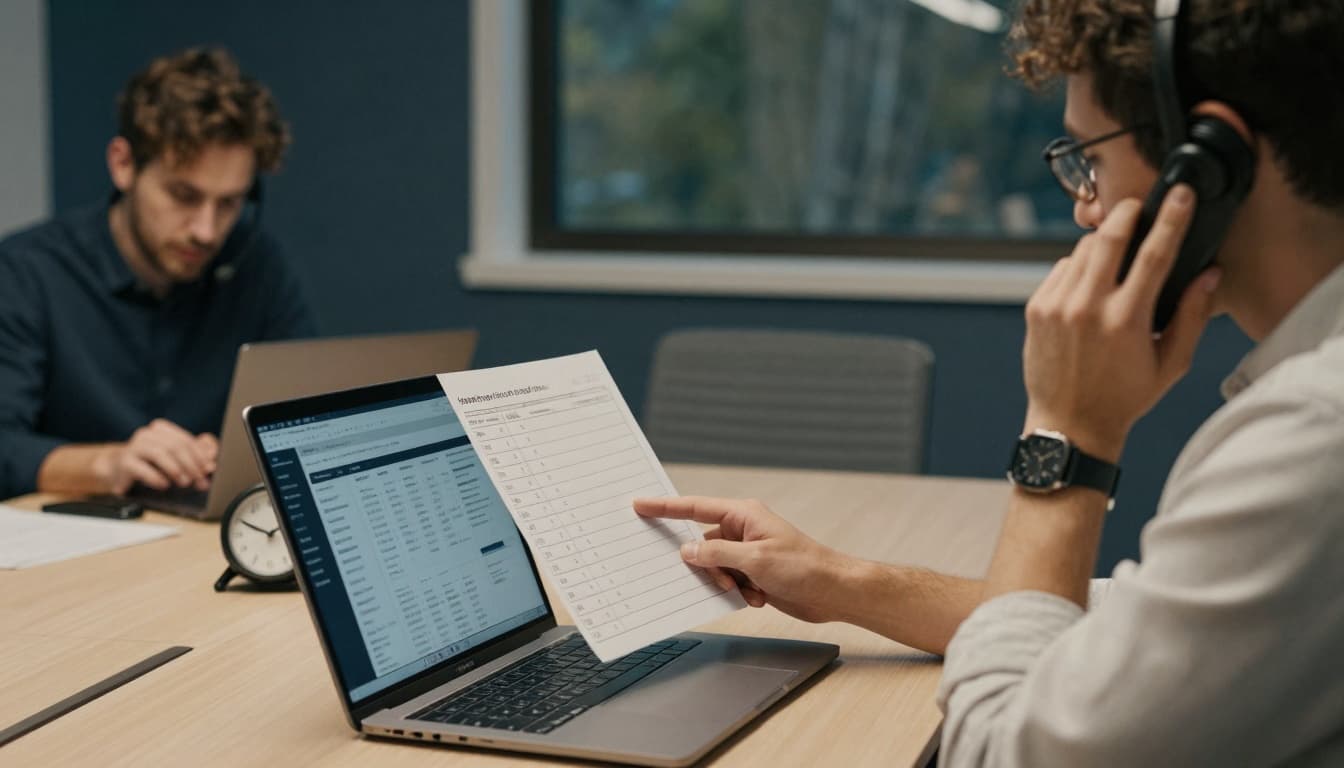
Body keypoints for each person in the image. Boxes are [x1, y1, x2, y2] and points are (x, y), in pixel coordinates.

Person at [637, 1, 1344, 765]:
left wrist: (1066, 437)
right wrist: (841, 581)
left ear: (1210, 161)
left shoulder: (1313, 435)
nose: (1085, 203)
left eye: (1091, 156)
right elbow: (1129, 628)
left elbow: (999, 753)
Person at [0, 48, 315, 500]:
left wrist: (237, 453)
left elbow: (304, 414)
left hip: (206, 539)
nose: (206, 231)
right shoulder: (27, 272)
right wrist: (107, 463)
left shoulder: (256, 262)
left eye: (228, 203)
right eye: (184, 195)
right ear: (123, 164)